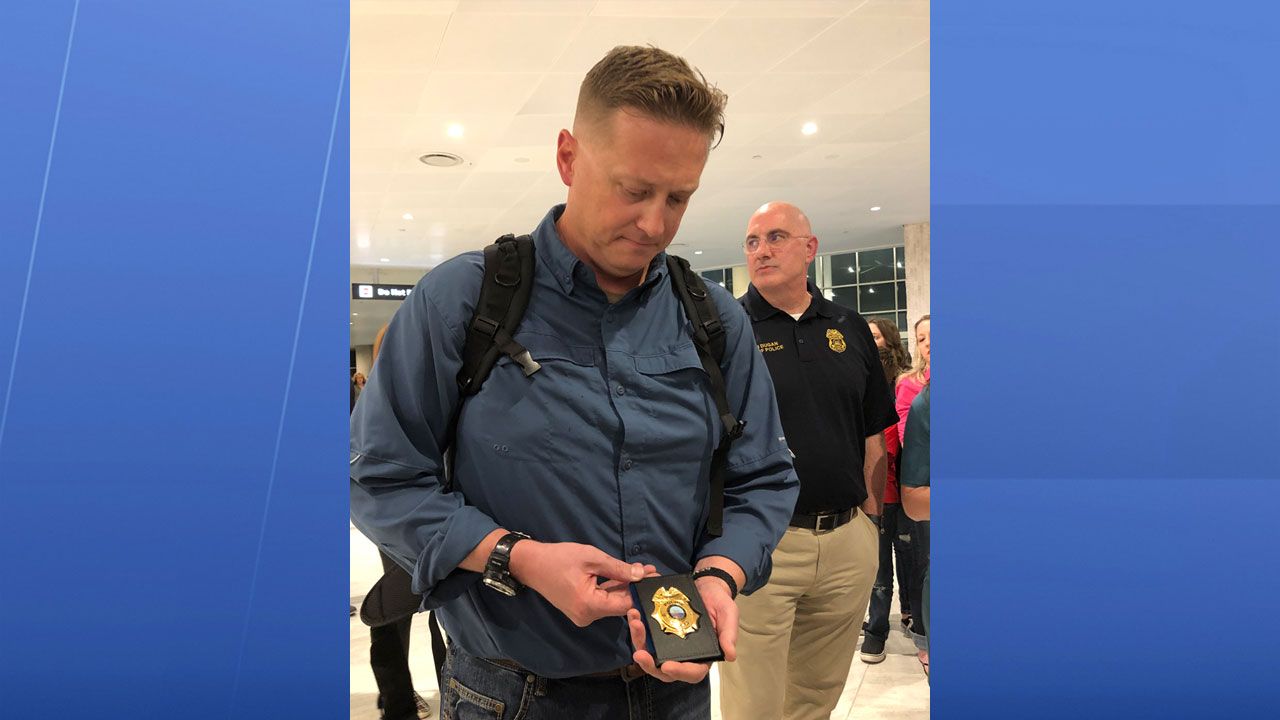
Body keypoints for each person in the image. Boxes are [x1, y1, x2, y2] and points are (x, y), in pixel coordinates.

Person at [350, 46, 798, 720]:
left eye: (678, 197)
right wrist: (518, 558)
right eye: (633, 189)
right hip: (510, 693)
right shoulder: (462, 302)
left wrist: (721, 572)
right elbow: (380, 479)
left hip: (675, 695)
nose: (655, 223)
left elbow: (762, 477)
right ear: (568, 157)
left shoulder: (714, 319)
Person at [718, 202, 897, 720]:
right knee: (753, 703)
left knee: (817, 697)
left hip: (846, 541)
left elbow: (871, 434)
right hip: (762, 545)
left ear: (810, 248)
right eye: (752, 241)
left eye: (775, 237)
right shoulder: (728, 329)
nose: (761, 250)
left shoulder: (849, 325)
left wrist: (869, 522)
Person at [860, 318, 917, 664]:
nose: (871, 342)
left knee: (910, 560)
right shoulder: (865, 377)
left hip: (906, 487)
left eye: (876, 335)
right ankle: (877, 628)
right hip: (879, 491)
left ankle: (912, 615)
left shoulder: (905, 382)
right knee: (880, 567)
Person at [895, 315, 930, 673]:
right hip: (923, 486)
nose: (930, 344)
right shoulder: (918, 395)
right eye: (921, 339)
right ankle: (924, 636)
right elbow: (908, 437)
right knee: (923, 562)